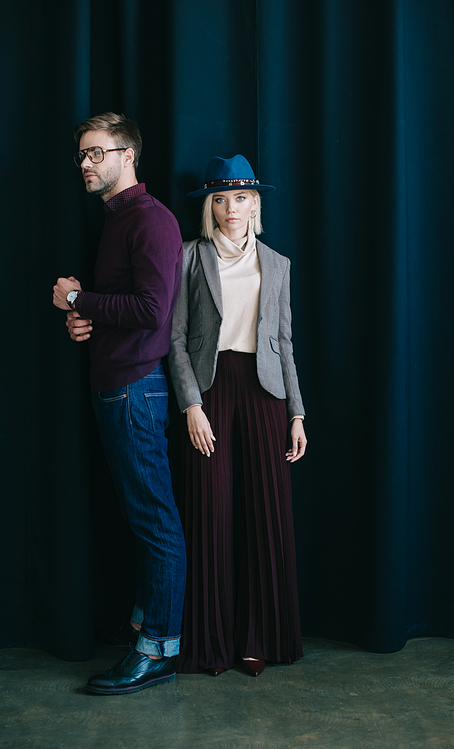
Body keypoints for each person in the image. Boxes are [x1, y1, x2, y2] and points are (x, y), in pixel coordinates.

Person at [52, 112, 186, 695]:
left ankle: (158, 649)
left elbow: (154, 313)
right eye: (81, 155)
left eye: (95, 153)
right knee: (143, 518)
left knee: (156, 521)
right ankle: (147, 625)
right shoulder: (117, 219)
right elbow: (123, 307)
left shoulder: (151, 220)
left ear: (126, 155)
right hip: (117, 387)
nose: (85, 163)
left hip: (136, 392)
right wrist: (87, 320)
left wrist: (80, 296)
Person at [168, 154, 307, 677]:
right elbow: (176, 339)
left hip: (266, 396)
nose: (232, 208)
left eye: (242, 198)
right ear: (210, 206)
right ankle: (209, 642)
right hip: (211, 392)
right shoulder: (189, 257)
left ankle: (258, 637)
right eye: (221, 199)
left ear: (256, 204)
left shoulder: (277, 264)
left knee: (265, 516)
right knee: (209, 512)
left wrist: (297, 413)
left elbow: (285, 342)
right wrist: (191, 406)